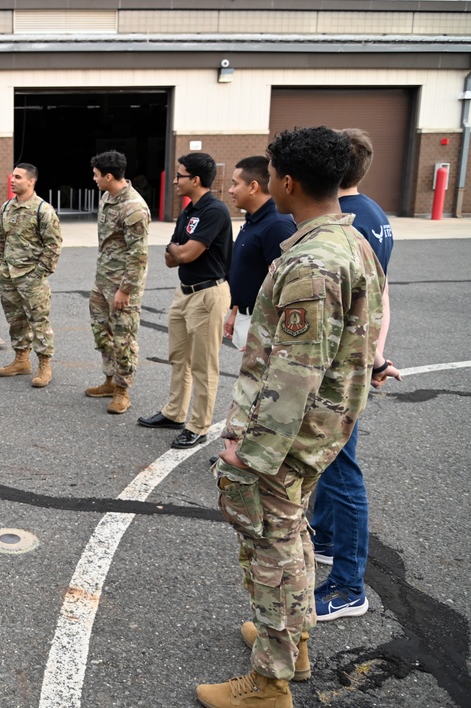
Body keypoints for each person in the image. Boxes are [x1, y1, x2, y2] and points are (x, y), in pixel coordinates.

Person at [196, 127, 385, 708]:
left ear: (287, 181)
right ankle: (294, 640)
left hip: (285, 438)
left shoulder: (312, 262)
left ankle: (271, 682)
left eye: (272, 171)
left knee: (271, 548)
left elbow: (293, 375)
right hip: (319, 432)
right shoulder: (349, 242)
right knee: (293, 534)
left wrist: (249, 452)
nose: (267, 179)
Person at [309, 128, 402, 622]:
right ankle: (323, 538)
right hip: (356, 362)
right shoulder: (376, 216)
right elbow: (382, 297)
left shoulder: (348, 225)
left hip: (337, 370)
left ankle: (348, 585)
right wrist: (378, 357)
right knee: (335, 462)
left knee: (343, 471)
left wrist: (367, 361)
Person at [138, 153, 231, 449]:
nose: (175, 180)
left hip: (208, 294)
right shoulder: (189, 212)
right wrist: (177, 249)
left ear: (196, 180)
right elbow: (170, 258)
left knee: (204, 365)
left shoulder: (214, 211)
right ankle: (175, 413)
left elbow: (186, 254)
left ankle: (199, 425)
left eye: (179, 175)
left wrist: (177, 249)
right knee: (179, 358)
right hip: (184, 292)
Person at [83, 150, 150, 414]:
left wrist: (125, 290)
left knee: (124, 339)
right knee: (102, 333)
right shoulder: (106, 197)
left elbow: (139, 255)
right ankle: (110, 381)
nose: (94, 179)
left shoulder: (133, 207)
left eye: (97, 175)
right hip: (103, 281)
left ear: (109, 176)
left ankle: (123, 391)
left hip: (123, 287)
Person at [0, 163, 63, 387]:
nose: (12, 180)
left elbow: (53, 246)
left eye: (18, 177)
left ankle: (44, 365)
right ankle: (21, 360)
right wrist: (1, 267)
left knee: (39, 321)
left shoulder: (43, 210)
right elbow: (0, 241)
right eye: (12, 176)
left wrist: (39, 274)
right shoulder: (6, 208)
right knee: (15, 320)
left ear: (31, 181)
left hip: (32, 277)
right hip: (9, 276)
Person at [224, 156, 297, 350]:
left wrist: (266, 336)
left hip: (264, 325)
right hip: (246, 315)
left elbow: (283, 288)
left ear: (253, 186)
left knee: (260, 380)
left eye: (234, 184)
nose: (230, 190)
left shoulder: (277, 226)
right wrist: (235, 313)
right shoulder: (254, 220)